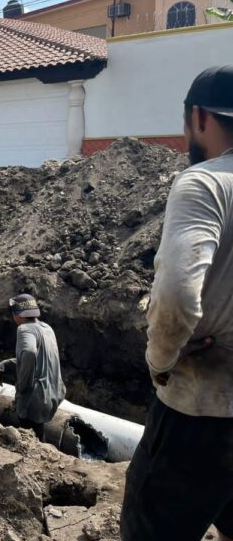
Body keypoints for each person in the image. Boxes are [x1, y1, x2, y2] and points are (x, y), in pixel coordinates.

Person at [121, 66, 233, 541]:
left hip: (199, 413)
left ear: (199, 116)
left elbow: (176, 297)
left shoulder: (203, 183)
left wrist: (160, 360)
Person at [9, 293, 65, 440]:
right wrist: (9, 363)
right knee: (38, 433)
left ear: (18, 315)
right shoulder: (47, 328)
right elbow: (44, 357)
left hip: (36, 397)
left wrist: (22, 385)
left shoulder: (24, 329)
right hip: (53, 391)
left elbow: (29, 351)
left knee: (29, 437)